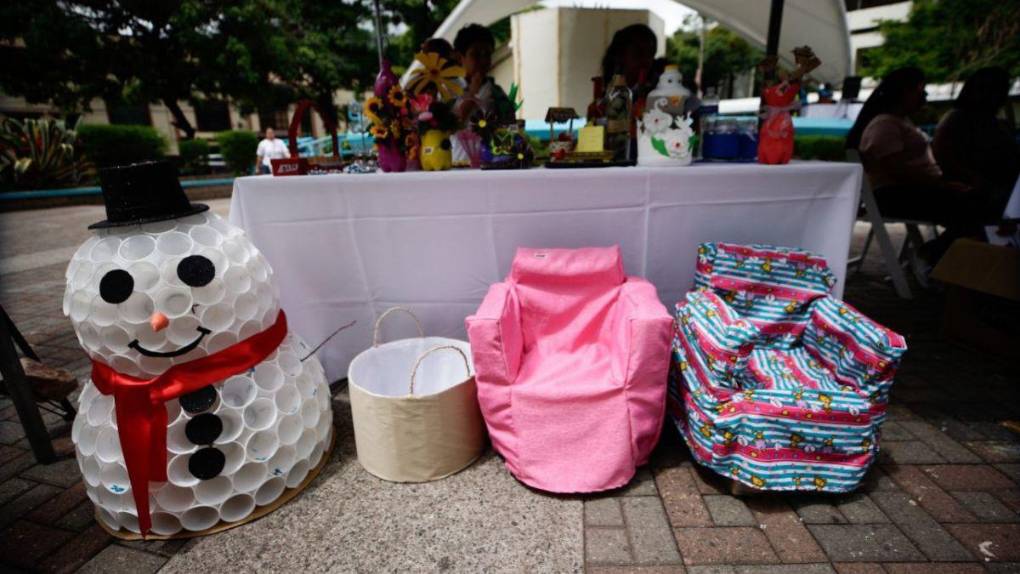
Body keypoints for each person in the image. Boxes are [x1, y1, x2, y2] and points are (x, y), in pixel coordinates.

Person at [846, 66, 987, 264]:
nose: (924, 96)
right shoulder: (884, 124)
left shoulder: (900, 121)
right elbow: (894, 168)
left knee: (976, 205)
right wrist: (941, 185)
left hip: (909, 190)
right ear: (903, 92)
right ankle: (937, 256)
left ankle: (940, 255)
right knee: (973, 206)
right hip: (895, 195)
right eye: (920, 91)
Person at [933, 67, 1019, 215]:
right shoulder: (959, 119)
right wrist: (978, 182)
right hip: (980, 189)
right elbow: (947, 159)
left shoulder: (991, 120)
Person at [452, 24, 513, 124]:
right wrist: (473, 92)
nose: (483, 60)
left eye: (487, 54)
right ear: (459, 58)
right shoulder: (449, 89)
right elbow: (451, 125)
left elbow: (510, 125)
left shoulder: (497, 92)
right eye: (475, 54)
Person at [600, 24, 657, 98]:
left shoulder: (657, 93)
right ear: (620, 55)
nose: (646, 60)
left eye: (650, 54)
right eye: (638, 53)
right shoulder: (609, 93)